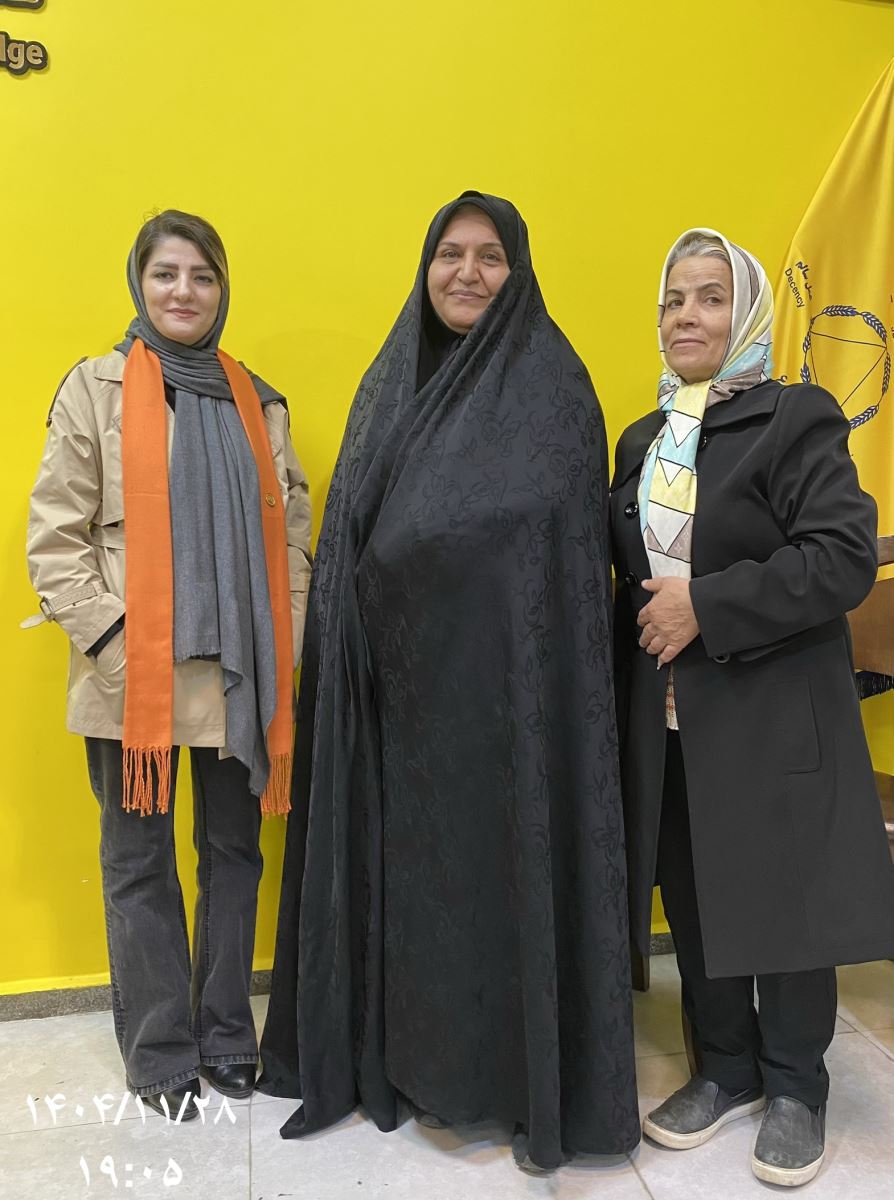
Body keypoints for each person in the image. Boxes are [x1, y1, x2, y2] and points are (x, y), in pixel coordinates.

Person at [258, 191, 640, 1172]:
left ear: (519, 272)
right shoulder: (390, 384)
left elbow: (556, 563)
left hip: (512, 718)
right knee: (414, 910)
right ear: (425, 268)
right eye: (450, 254)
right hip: (397, 715)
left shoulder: (557, 391)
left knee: (498, 900)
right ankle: (406, 1065)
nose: (467, 272)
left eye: (490, 256)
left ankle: (510, 1083)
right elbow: (350, 536)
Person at [611, 227, 894, 1187]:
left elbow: (842, 557)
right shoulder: (645, 440)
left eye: (709, 297)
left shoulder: (793, 417)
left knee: (785, 899)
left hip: (772, 711)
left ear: (748, 315)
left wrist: (708, 604)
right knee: (695, 896)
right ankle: (726, 1067)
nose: (686, 316)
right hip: (671, 720)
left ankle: (797, 1085)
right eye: (672, 300)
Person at [26, 210, 312, 1119]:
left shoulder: (259, 402)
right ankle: (158, 1051)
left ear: (223, 289)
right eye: (166, 274)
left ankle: (226, 1035)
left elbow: (294, 538)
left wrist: (287, 642)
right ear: (139, 283)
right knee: (138, 864)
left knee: (233, 855)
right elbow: (55, 539)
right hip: (132, 681)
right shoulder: (94, 389)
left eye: (202, 275)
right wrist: (114, 642)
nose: (184, 291)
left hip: (239, 676)